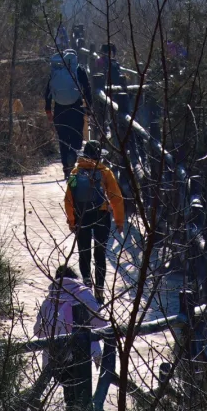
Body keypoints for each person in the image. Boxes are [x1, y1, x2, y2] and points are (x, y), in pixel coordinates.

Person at [34, 264, 108, 411]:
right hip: (80, 355)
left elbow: (38, 331)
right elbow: (100, 325)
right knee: (81, 396)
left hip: (57, 357)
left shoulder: (49, 300)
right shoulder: (84, 295)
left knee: (70, 396)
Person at [64, 139, 125, 303]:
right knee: (100, 253)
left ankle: (86, 284)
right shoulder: (105, 172)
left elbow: (68, 199)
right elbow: (116, 198)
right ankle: (99, 289)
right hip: (101, 215)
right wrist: (119, 221)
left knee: (84, 253)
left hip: (81, 216)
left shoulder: (75, 173)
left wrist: (71, 220)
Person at [44, 48, 93, 177]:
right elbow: (87, 89)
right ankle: (73, 155)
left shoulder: (56, 71)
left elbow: (48, 92)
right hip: (76, 108)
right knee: (76, 137)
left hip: (59, 110)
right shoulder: (79, 70)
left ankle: (66, 168)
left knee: (63, 139)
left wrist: (48, 110)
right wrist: (89, 108)